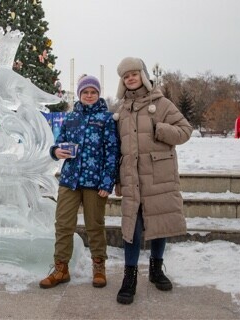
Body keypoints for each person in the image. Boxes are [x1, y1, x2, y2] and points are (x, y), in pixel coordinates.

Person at [112, 57, 193, 304]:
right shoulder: (121, 110)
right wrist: (117, 179)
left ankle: (156, 270)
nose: (130, 79)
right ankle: (130, 277)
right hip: (132, 176)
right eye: (126, 76)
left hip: (159, 174)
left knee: (159, 223)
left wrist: (161, 129)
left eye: (134, 74)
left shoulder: (162, 103)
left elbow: (185, 130)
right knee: (132, 228)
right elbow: (117, 148)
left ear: (143, 75)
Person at [39, 75, 120, 289]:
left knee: (95, 225)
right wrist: (56, 151)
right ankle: (61, 268)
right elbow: (57, 144)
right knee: (63, 224)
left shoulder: (107, 119)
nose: (89, 95)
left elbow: (112, 152)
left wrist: (107, 182)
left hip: (95, 182)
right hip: (70, 180)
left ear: (98, 94)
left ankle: (99, 266)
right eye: (86, 92)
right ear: (80, 95)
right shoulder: (70, 118)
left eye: (93, 92)